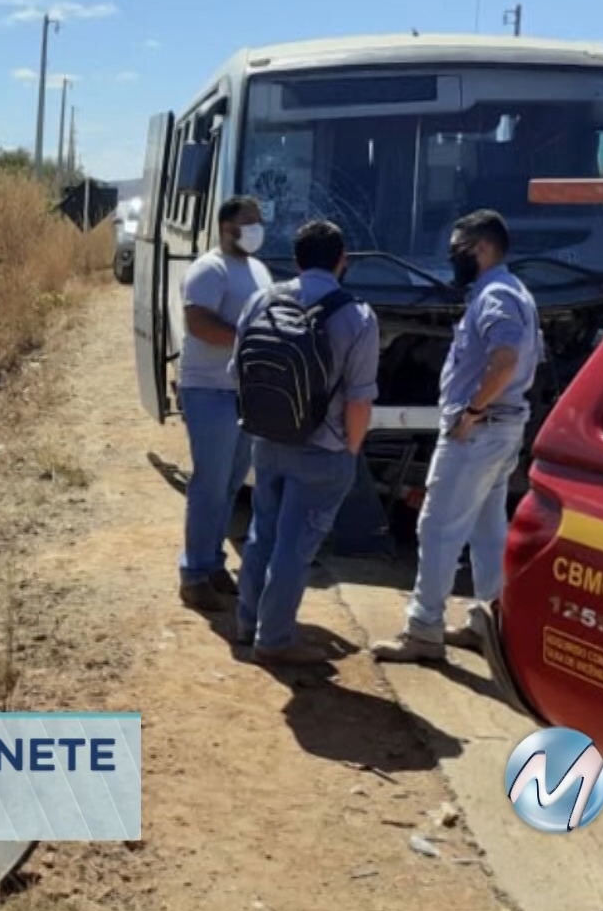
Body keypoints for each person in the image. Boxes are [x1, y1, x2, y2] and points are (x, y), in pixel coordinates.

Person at [373, 209, 541, 663]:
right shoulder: (514, 291)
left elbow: (504, 360)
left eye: (458, 248)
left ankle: (423, 628)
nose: (452, 256)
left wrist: (472, 410)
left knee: (438, 526)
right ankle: (488, 624)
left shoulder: (496, 297)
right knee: (487, 531)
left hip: (479, 432)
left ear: (482, 249)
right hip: (501, 430)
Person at [231, 220, 378, 664]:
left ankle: (246, 621)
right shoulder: (357, 316)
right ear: (342, 261)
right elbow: (359, 400)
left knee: (263, 534)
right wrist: (350, 450)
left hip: (268, 441)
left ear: (295, 260)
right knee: (294, 548)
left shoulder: (260, 300)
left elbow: (238, 374)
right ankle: (274, 640)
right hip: (324, 451)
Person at [175, 195, 272, 612]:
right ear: (225, 227)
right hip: (208, 391)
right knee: (209, 485)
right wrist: (249, 342)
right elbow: (198, 323)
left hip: (243, 393)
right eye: (247, 222)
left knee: (231, 485)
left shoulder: (258, 269)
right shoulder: (209, 269)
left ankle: (213, 563)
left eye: (258, 221)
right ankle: (193, 574)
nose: (255, 229)